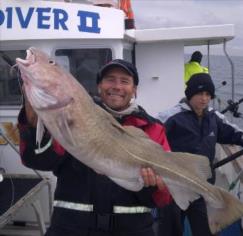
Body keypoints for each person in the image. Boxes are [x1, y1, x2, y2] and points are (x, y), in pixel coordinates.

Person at [17, 59, 173, 236]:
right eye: (110, 79)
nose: (117, 86)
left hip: (131, 230)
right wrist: (31, 119)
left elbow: (163, 199)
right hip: (71, 229)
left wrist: (152, 186)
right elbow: (38, 160)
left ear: (135, 89)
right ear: (99, 86)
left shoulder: (153, 128)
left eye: (124, 81)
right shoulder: (75, 115)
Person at [157, 73, 243, 236]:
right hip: (174, 187)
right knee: (170, 230)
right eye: (199, 94)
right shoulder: (171, 117)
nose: (204, 99)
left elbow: (233, 133)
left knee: (206, 230)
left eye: (208, 94)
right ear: (190, 94)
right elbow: (152, 138)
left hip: (201, 187)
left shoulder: (214, 117)